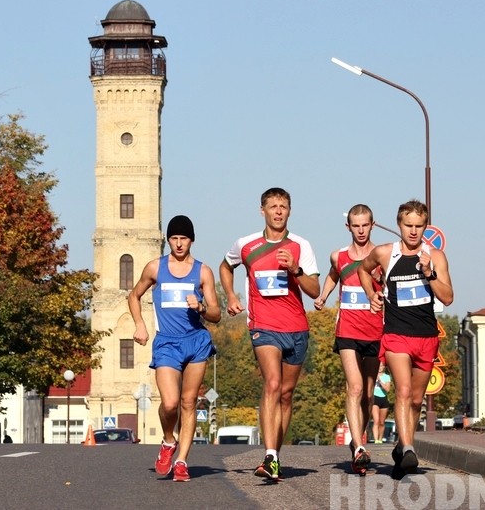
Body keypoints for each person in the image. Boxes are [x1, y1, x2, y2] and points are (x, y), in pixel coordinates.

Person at [220, 187, 320, 481]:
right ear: (261, 210)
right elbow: (226, 266)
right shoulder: (246, 244)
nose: (278, 211)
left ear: (290, 211)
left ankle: (276, 451)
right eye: (273, 206)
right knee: (273, 384)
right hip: (263, 326)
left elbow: (314, 290)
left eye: (283, 206)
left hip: (297, 328)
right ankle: (270, 455)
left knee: (286, 395)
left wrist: (296, 270)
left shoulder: (301, 245)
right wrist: (231, 295)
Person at [358, 199, 453, 478]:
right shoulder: (386, 253)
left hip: (426, 337)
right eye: (408, 225)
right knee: (401, 391)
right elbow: (363, 269)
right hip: (396, 335)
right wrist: (371, 293)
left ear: (426, 226)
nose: (413, 231)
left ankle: (401, 448)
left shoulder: (434, 256)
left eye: (419, 226)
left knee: (414, 400)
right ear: (399, 225)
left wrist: (429, 273)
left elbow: (447, 297)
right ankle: (410, 447)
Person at [128, 215, 221, 482]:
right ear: (168, 240)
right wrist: (140, 324)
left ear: (191, 240)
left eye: (184, 238)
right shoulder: (155, 268)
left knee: (188, 402)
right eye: (174, 238)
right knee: (170, 404)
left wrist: (202, 307)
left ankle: (182, 460)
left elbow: (216, 314)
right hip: (167, 341)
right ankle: (169, 440)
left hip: (196, 342)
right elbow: (134, 295)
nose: (179, 244)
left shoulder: (203, 272)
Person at [313, 204, 383, 474]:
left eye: (365, 225)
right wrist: (323, 296)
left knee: (367, 394)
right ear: (349, 227)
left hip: (374, 331)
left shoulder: (380, 256)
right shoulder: (338, 256)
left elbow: (391, 286)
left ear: (372, 225)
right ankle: (359, 447)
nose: (361, 230)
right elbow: (333, 276)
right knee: (354, 388)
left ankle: (358, 439)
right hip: (347, 332)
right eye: (356, 225)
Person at [371, 363, 392, 444]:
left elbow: (387, 389)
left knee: (382, 422)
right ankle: (376, 439)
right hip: (375, 398)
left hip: (383, 398)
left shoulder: (387, 377)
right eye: (378, 366)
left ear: (384, 367)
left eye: (382, 366)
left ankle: (380, 438)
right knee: (376, 420)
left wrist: (380, 381)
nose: (380, 368)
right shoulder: (373, 375)